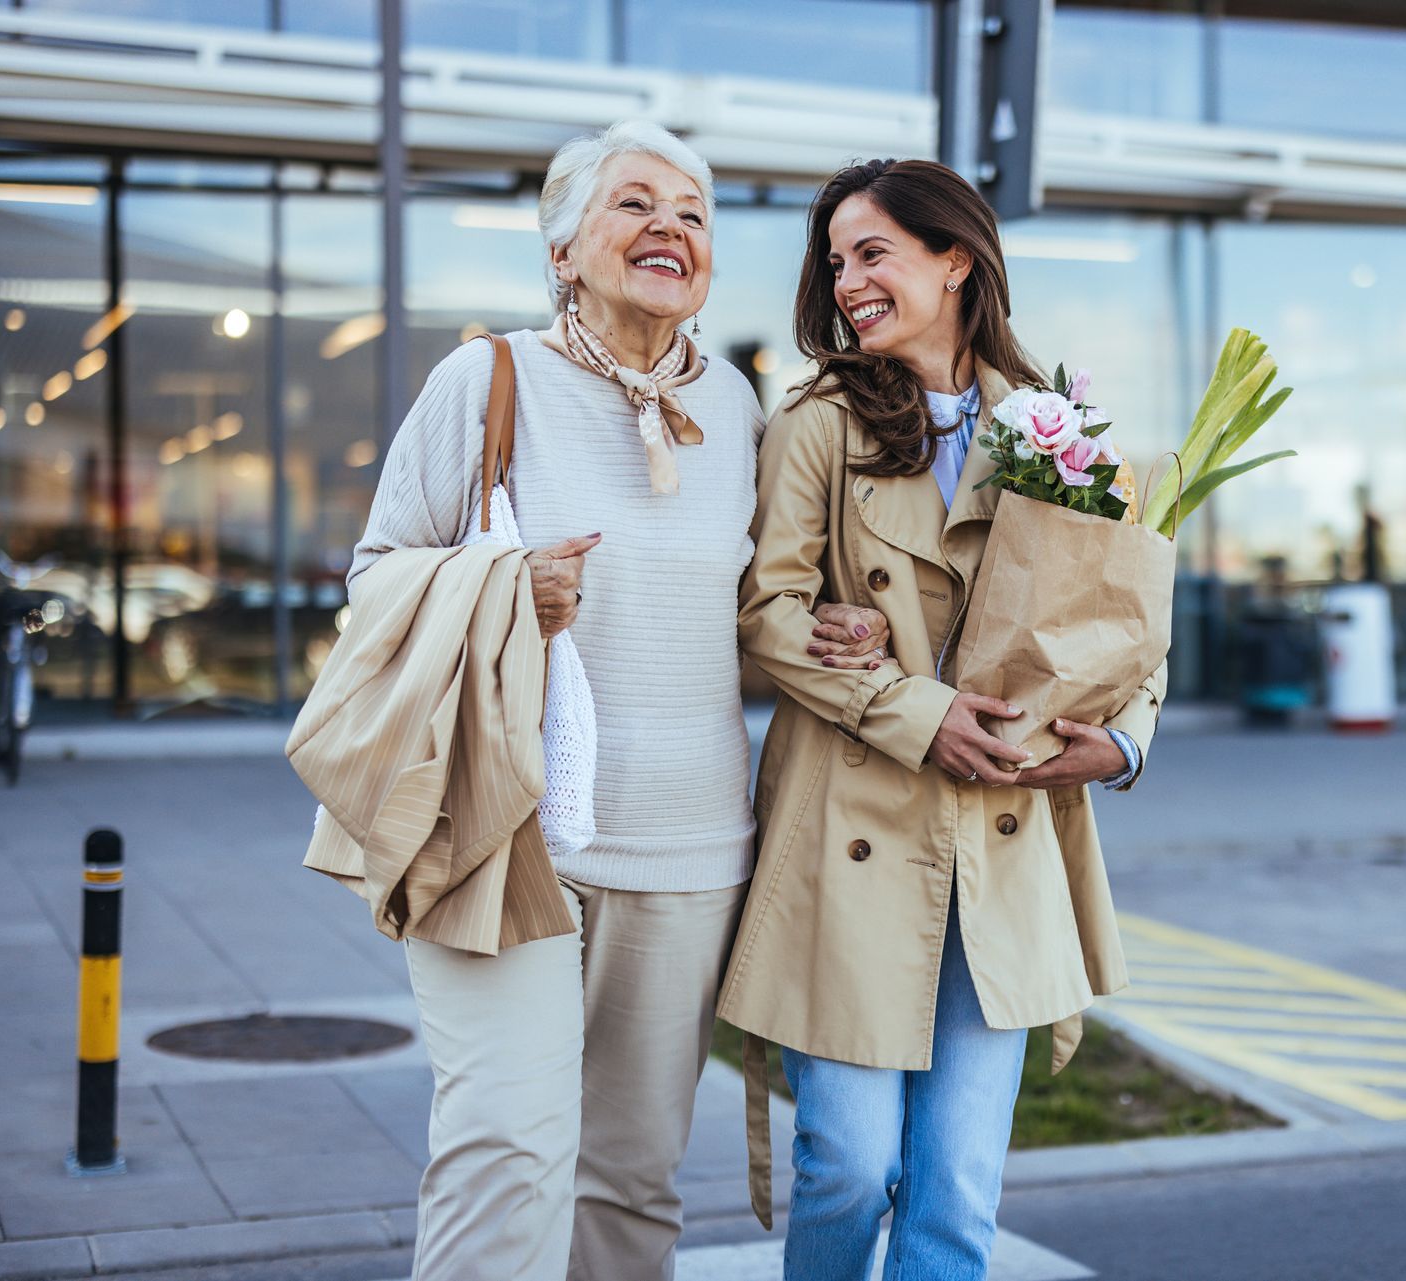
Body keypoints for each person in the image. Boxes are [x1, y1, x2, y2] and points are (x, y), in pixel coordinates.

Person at [346, 121, 885, 1281]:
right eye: (635, 204)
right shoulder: (487, 381)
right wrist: (502, 589)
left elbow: (749, 613)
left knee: (633, 1184)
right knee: (507, 1155)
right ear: (564, 251)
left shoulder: (741, 410)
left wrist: (828, 625)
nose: (669, 230)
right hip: (505, 827)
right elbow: (373, 580)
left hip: (692, 843)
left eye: (692, 214)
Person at [719, 158, 1166, 1281]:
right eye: (836, 262)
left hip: (1002, 840)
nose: (848, 282)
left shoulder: (1054, 427)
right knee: (848, 1167)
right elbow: (765, 613)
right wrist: (914, 710)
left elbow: (1126, 615)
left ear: (955, 258)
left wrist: (1122, 744)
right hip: (852, 830)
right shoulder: (818, 421)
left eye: (873, 253)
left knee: (958, 1195)